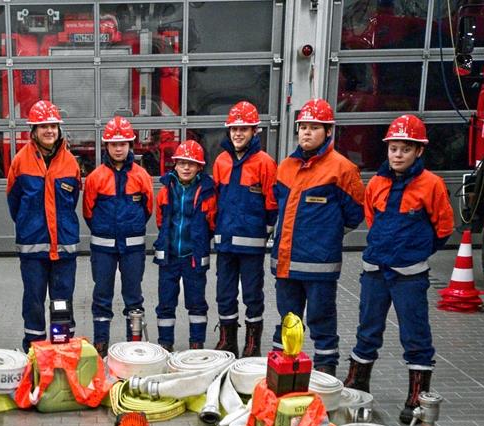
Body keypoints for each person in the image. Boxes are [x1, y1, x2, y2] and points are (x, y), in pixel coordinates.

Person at [345, 114, 454, 423]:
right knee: (367, 330)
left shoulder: (431, 185)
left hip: (410, 277)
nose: (398, 155)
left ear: (419, 151)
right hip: (375, 271)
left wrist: (415, 252)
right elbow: (371, 219)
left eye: (405, 149)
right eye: (393, 148)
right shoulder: (376, 183)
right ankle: (358, 384)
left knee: (415, 335)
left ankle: (417, 397)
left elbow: (444, 227)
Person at [270, 99, 364, 374]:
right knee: (288, 321)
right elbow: (280, 209)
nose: (306, 133)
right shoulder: (286, 166)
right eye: (303, 127)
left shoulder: (342, 169)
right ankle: (283, 373)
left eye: (314, 127)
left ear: (328, 132)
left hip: (320, 266)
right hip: (287, 264)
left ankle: (325, 374)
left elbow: (355, 214)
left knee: (321, 320)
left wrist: (328, 236)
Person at [6, 100, 82, 351]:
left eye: (53, 126)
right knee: (34, 301)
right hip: (33, 248)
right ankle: (34, 350)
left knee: (62, 301)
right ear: (34, 131)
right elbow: (13, 202)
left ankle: (62, 348)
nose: (49, 131)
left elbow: (74, 200)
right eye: (43, 126)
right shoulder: (20, 162)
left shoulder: (70, 162)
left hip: (64, 248)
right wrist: (30, 226)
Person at [82, 116, 154, 355]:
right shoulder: (95, 178)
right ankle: (101, 343)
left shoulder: (141, 176)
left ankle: (133, 345)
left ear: (130, 144)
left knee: (133, 297)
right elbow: (88, 211)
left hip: (133, 249)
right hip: (103, 249)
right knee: (102, 295)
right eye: (114, 144)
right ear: (107, 146)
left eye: (123, 143)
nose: (119, 148)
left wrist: (130, 230)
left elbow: (148, 208)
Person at [212, 100, 278, 357]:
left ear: (255, 131)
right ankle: (228, 340)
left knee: (252, 294)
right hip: (226, 241)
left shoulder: (265, 162)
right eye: (234, 129)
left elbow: (272, 201)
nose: (238, 134)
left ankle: (253, 344)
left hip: (251, 243)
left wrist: (267, 229)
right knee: (224, 293)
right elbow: (216, 199)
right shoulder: (221, 161)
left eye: (244, 129)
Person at [153, 140, 216, 351]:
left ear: (200, 167)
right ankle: (165, 345)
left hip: (193, 257)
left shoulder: (208, 192)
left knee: (197, 303)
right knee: (165, 304)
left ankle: (196, 345)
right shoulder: (165, 190)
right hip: (169, 257)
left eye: (191, 163)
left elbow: (212, 221)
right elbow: (161, 221)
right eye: (182, 163)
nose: (186, 168)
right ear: (175, 165)